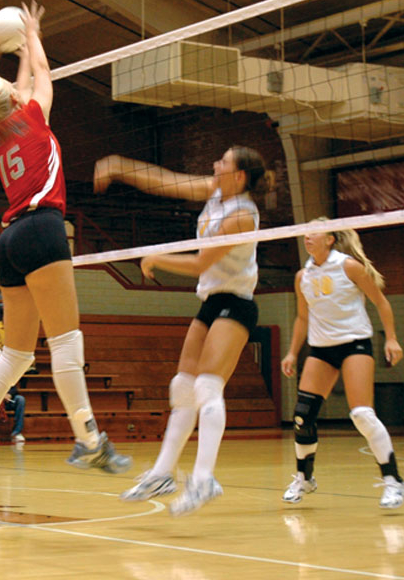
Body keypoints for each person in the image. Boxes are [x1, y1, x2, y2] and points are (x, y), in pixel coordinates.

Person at [0, 2, 131, 495]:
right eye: (12, 84)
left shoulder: (4, 130)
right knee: (66, 342)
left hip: (9, 241)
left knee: (17, 355)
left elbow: (27, 82)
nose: (17, 82)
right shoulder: (29, 115)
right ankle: (89, 438)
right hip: (44, 230)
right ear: (11, 98)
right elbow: (42, 75)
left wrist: (24, 48)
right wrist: (33, 35)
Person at [94, 146, 272, 515]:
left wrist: (158, 258)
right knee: (183, 387)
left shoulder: (242, 215)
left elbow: (200, 263)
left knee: (208, 387)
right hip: (211, 302)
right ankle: (162, 473)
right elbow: (164, 181)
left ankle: (204, 479)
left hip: (236, 303)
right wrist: (118, 165)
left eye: (222, 161)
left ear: (239, 176)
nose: (215, 164)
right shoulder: (214, 191)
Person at [281, 223, 404, 508]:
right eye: (304, 234)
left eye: (312, 233)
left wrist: (392, 339)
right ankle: (304, 478)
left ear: (330, 239)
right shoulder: (303, 276)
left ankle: (393, 481)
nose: (306, 237)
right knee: (302, 416)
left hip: (354, 344)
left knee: (362, 414)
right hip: (321, 349)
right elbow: (303, 318)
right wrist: (292, 352)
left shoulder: (349, 267)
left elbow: (381, 302)